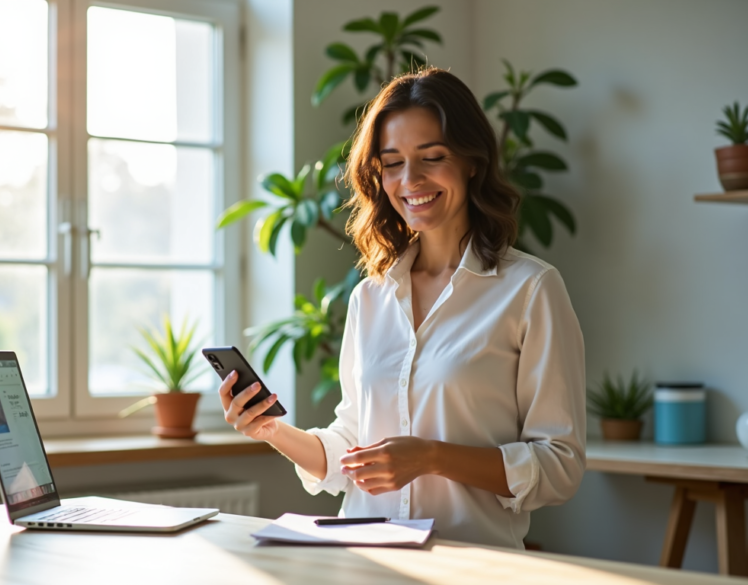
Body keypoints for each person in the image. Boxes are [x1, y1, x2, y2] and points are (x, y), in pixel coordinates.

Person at [219, 67, 586, 549]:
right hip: (367, 563)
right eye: (392, 163)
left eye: (432, 157)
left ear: (472, 162)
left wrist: (432, 457)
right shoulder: (369, 297)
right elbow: (350, 445)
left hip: (474, 568)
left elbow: (559, 467)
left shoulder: (531, 289)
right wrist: (270, 430)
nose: (410, 180)